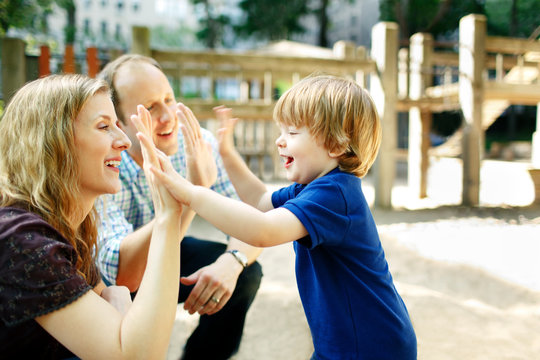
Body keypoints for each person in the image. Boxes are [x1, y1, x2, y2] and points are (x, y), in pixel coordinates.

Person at [142, 75, 418, 359]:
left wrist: (191, 193)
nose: (279, 141)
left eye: (292, 133)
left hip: (372, 345)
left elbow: (262, 230)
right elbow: (260, 201)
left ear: (335, 144)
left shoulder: (335, 195)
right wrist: (226, 154)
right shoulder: (313, 187)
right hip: (346, 341)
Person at [0, 74, 184, 359]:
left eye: (118, 127)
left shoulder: (67, 226)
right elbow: (138, 354)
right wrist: (167, 217)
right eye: (104, 127)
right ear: (53, 143)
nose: (124, 141)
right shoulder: (24, 241)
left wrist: (118, 301)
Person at [96, 54, 263, 359]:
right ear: (118, 122)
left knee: (245, 274)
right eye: (149, 108)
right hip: (114, 273)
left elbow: (252, 221)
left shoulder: (196, 144)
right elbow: (124, 276)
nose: (167, 116)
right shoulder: (102, 162)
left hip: (169, 245)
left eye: (168, 99)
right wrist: (193, 192)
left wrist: (232, 262)